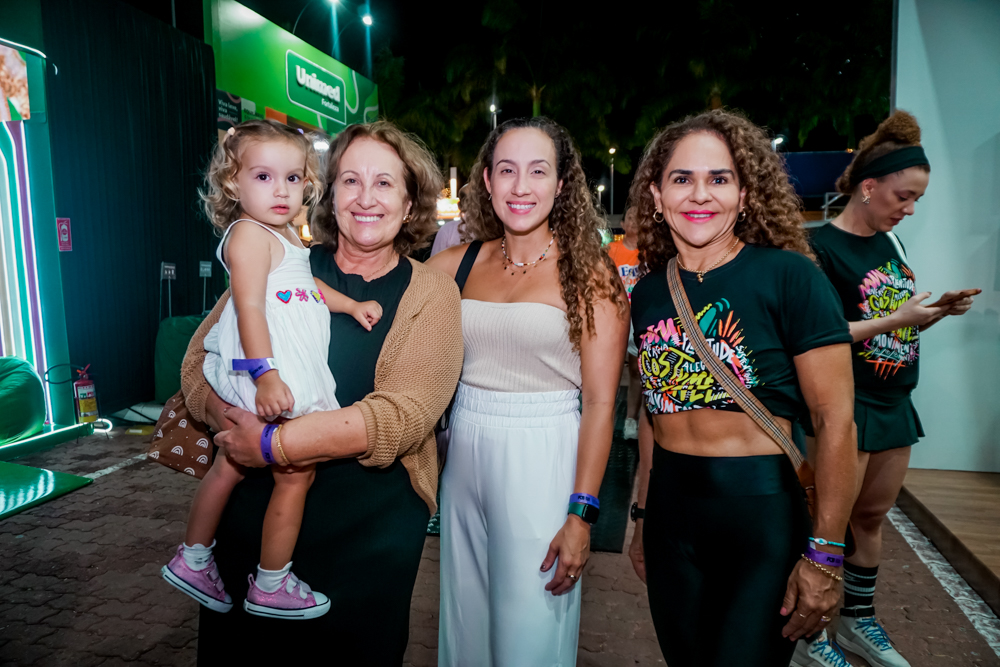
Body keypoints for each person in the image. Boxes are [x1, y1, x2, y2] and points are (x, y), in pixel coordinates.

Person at [177, 120, 463, 664]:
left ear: (409, 203)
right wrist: (225, 416)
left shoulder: (431, 293)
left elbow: (403, 415)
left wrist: (269, 446)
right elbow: (199, 363)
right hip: (251, 527)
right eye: (350, 180)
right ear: (328, 192)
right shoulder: (278, 257)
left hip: (368, 535)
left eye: (385, 183)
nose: (366, 198)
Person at [625, 109, 858, 667]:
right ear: (657, 196)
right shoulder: (650, 293)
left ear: (745, 193)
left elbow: (836, 422)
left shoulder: (791, 277)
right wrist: (640, 518)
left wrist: (825, 556)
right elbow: (654, 418)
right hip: (671, 520)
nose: (699, 194)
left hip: (761, 520)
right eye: (682, 179)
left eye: (719, 178)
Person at [161, 120, 383, 620]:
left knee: (242, 468)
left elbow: (305, 290)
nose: (281, 190)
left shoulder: (284, 237)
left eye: (292, 178)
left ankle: (203, 559)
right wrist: (264, 376)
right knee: (290, 474)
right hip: (260, 367)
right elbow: (250, 309)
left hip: (276, 367)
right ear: (233, 183)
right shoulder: (247, 237)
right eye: (263, 177)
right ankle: (263, 578)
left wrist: (349, 305)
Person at [428, 116, 629, 666]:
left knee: (529, 637)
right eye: (507, 170)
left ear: (562, 184)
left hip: (545, 454)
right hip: (463, 455)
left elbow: (602, 405)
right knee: (464, 630)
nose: (521, 187)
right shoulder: (454, 264)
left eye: (538, 171)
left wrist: (581, 515)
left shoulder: (590, 275)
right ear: (486, 181)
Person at [793, 111, 978, 667]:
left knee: (870, 520)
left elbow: (891, 318)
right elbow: (817, 335)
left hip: (896, 401)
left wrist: (933, 313)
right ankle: (810, 634)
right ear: (868, 187)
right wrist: (896, 320)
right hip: (846, 405)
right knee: (823, 524)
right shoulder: (817, 247)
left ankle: (857, 621)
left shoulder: (892, 244)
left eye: (916, 199)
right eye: (904, 195)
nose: (910, 209)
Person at [607, 204, 642, 439]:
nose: (633, 221)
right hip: (616, 318)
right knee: (610, 372)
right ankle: (605, 419)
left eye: (637, 218)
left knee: (637, 372)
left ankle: (631, 420)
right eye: (629, 217)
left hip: (639, 318)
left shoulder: (649, 252)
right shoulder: (611, 250)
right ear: (622, 224)